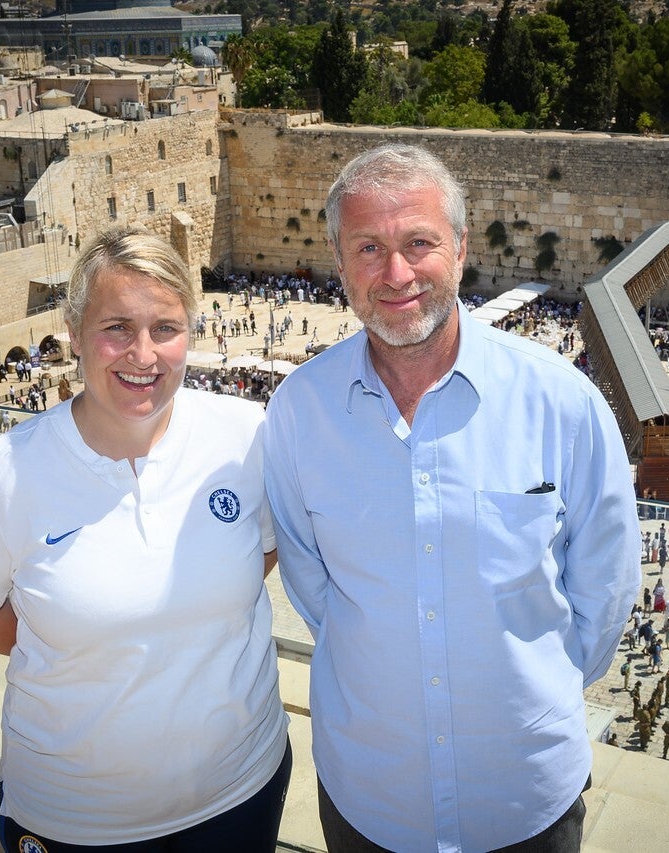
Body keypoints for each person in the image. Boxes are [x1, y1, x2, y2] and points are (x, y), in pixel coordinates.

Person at [264, 144, 641, 852]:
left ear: (461, 250)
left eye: (418, 243)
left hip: (523, 797)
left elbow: (606, 585)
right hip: (372, 799)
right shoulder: (298, 411)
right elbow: (315, 589)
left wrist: (528, 690)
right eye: (368, 247)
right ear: (338, 264)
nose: (395, 272)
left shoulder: (560, 403)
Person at [0, 229, 291, 850]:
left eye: (165, 328)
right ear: (74, 333)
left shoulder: (246, 436)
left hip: (239, 790)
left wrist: (150, 615)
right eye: (116, 328)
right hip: (76, 817)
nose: (143, 355)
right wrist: (77, 633)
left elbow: (258, 553)